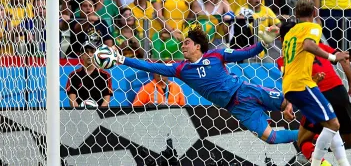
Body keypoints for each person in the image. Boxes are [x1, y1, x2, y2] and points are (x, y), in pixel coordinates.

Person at [111, 25, 299, 145]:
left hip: (245, 90)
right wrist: (121, 59)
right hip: (236, 107)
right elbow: (149, 65)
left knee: (292, 101)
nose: (182, 46)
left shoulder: (217, 55)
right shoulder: (181, 69)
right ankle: (308, 135)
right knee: (271, 138)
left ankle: (322, 123)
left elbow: (244, 53)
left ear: (198, 46)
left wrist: (262, 44)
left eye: (186, 42)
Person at [278, 21, 351, 166]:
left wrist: (289, 105)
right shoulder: (320, 47)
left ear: (282, 40)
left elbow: (293, 82)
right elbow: (343, 59)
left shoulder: (285, 59)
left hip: (317, 94)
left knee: (304, 140)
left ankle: (324, 164)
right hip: (338, 91)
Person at [280, 0, 350, 166]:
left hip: (290, 86)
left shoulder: (290, 33)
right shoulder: (313, 27)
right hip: (303, 84)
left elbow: (289, 62)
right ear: (314, 12)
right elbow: (309, 45)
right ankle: (316, 164)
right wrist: (333, 57)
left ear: (296, 14)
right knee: (333, 124)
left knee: (330, 125)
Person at [66, 42, 113, 107]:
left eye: (92, 52)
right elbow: (72, 99)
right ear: (81, 55)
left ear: (97, 54)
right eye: (86, 52)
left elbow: (107, 98)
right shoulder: (73, 75)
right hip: (79, 114)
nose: (89, 54)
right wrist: (79, 113)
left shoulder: (105, 75)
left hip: (100, 113)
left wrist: (99, 113)